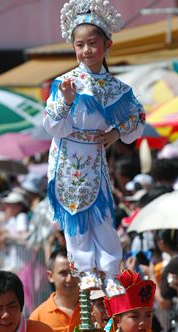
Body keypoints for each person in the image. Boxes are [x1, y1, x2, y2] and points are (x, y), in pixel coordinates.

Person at [42, 0, 145, 296]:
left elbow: (137, 118)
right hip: (67, 157)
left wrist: (115, 132)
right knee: (75, 214)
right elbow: (51, 124)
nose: (86, 50)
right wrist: (66, 101)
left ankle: (111, 273)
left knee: (102, 216)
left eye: (92, 43)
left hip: (96, 157)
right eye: (80, 44)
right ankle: (85, 270)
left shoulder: (118, 89)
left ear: (107, 43)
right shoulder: (65, 82)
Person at [30, 248, 80, 332]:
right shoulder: (38, 317)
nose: (69, 279)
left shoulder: (94, 310)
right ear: (50, 276)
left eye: (74, 272)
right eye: (63, 273)